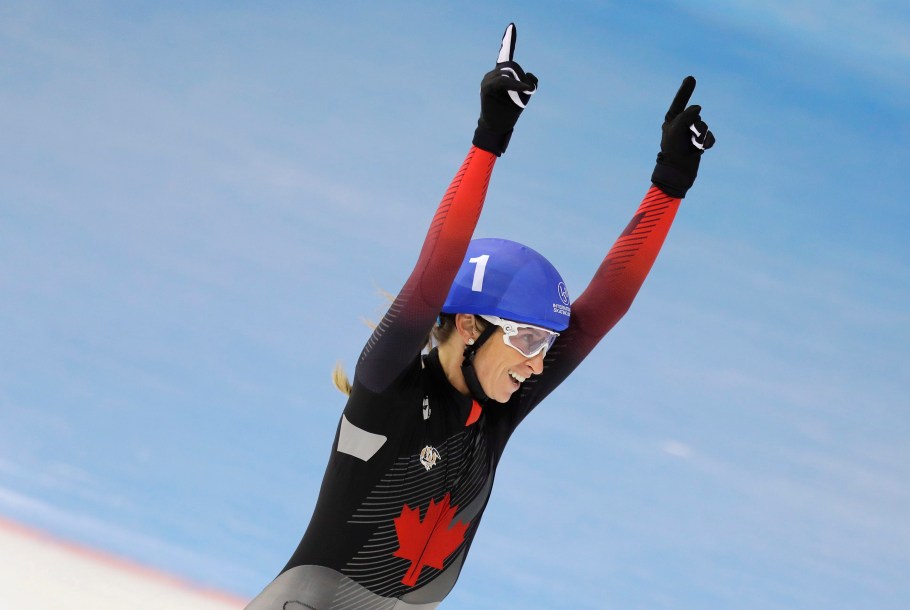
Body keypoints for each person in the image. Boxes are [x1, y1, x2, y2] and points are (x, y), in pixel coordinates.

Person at [244, 22, 714, 610]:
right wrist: (489, 139)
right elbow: (431, 277)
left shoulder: (497, 407)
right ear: (468, 324)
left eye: (548, 342)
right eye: (525, 338)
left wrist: (669, 186)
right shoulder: (386, 384)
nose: (539, 363)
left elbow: (603, 310)